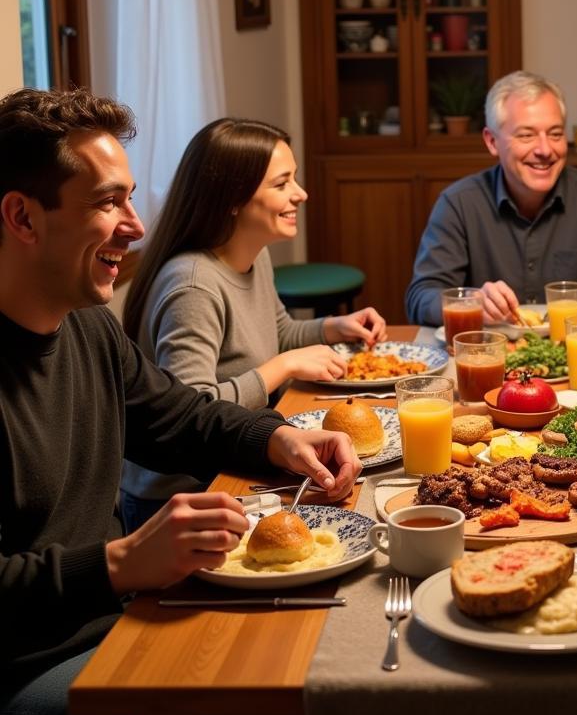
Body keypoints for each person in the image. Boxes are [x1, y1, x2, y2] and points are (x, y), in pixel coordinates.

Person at [0, 89, 362, 715]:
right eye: (108, 202)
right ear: (23, 218)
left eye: (131, 198)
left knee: (324, 650)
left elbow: (182, 418)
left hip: (127, 609)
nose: (136, 226)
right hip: (32, 665)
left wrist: (280, 440)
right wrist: (119, 562)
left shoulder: (89, 329)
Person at [119, 118, 386, 532]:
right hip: (182, 496)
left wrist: (336, 326)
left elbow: (276, 332)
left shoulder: (250, 254)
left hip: (233, 466)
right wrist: (283, 367)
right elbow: (190, 411)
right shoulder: (193, 284)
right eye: (281, 184)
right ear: (233, 198)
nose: (301, 193)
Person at [405, 71, 577, 326]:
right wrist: (472, 304)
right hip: (491, 358)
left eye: (556, 134)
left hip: (576, 355)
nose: (545, 150)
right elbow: (421, 297)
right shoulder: (458, 204)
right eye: (526, 135)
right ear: (492, 142)